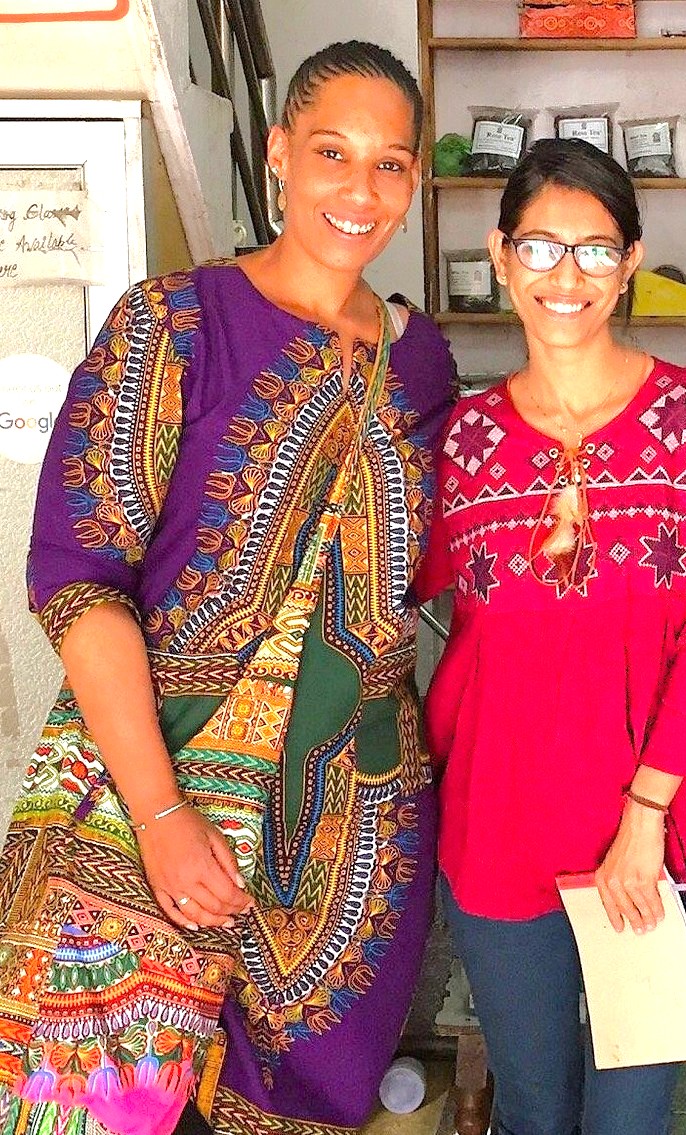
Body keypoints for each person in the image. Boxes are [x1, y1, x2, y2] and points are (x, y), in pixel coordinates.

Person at [4, 41, 455, 1135]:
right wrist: (160, 812)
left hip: (347, 826)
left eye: (390, 163)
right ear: (278, 154)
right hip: (143, 790)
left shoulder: (421, 363)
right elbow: (78, 577)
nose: (360, 189)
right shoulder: (175, 325)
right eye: (332, 152)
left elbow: (425, 572)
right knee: (96, 1101)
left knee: (297, 1107)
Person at [416, 138, 686, 1135]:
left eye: (595, 250)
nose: (565, 276)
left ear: (629, 262)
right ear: (499, 255)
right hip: (498, 823)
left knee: (629, 1113)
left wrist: (644, 819)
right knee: (533, 1108)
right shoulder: (460, 440)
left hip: (651, 827)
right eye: (538, 246)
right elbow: (381, 584)